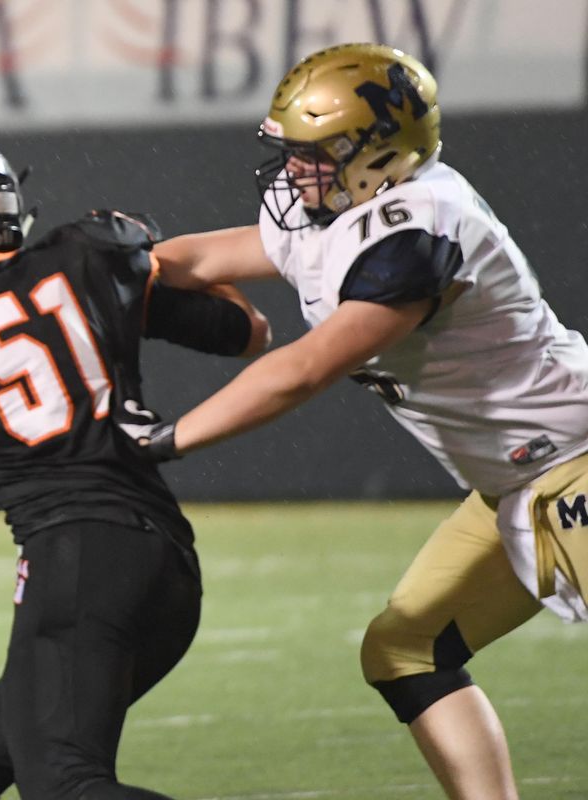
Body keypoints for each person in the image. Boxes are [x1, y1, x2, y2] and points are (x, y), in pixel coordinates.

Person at [148, 43, 588, 800]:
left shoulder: (417, 228)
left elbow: (304, 369)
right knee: (405, 650)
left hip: (573, 458)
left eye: (316, 153)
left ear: (380, 153)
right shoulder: (337, 211)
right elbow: (201, 257)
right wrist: (99, 272)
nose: (294, 169)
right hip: (515, 481)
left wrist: (164, 441)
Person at [0, 131, 269, 799]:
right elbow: (245, 331)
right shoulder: (84, 262)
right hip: (163, 563)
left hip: (77, 555)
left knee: (65, 784)